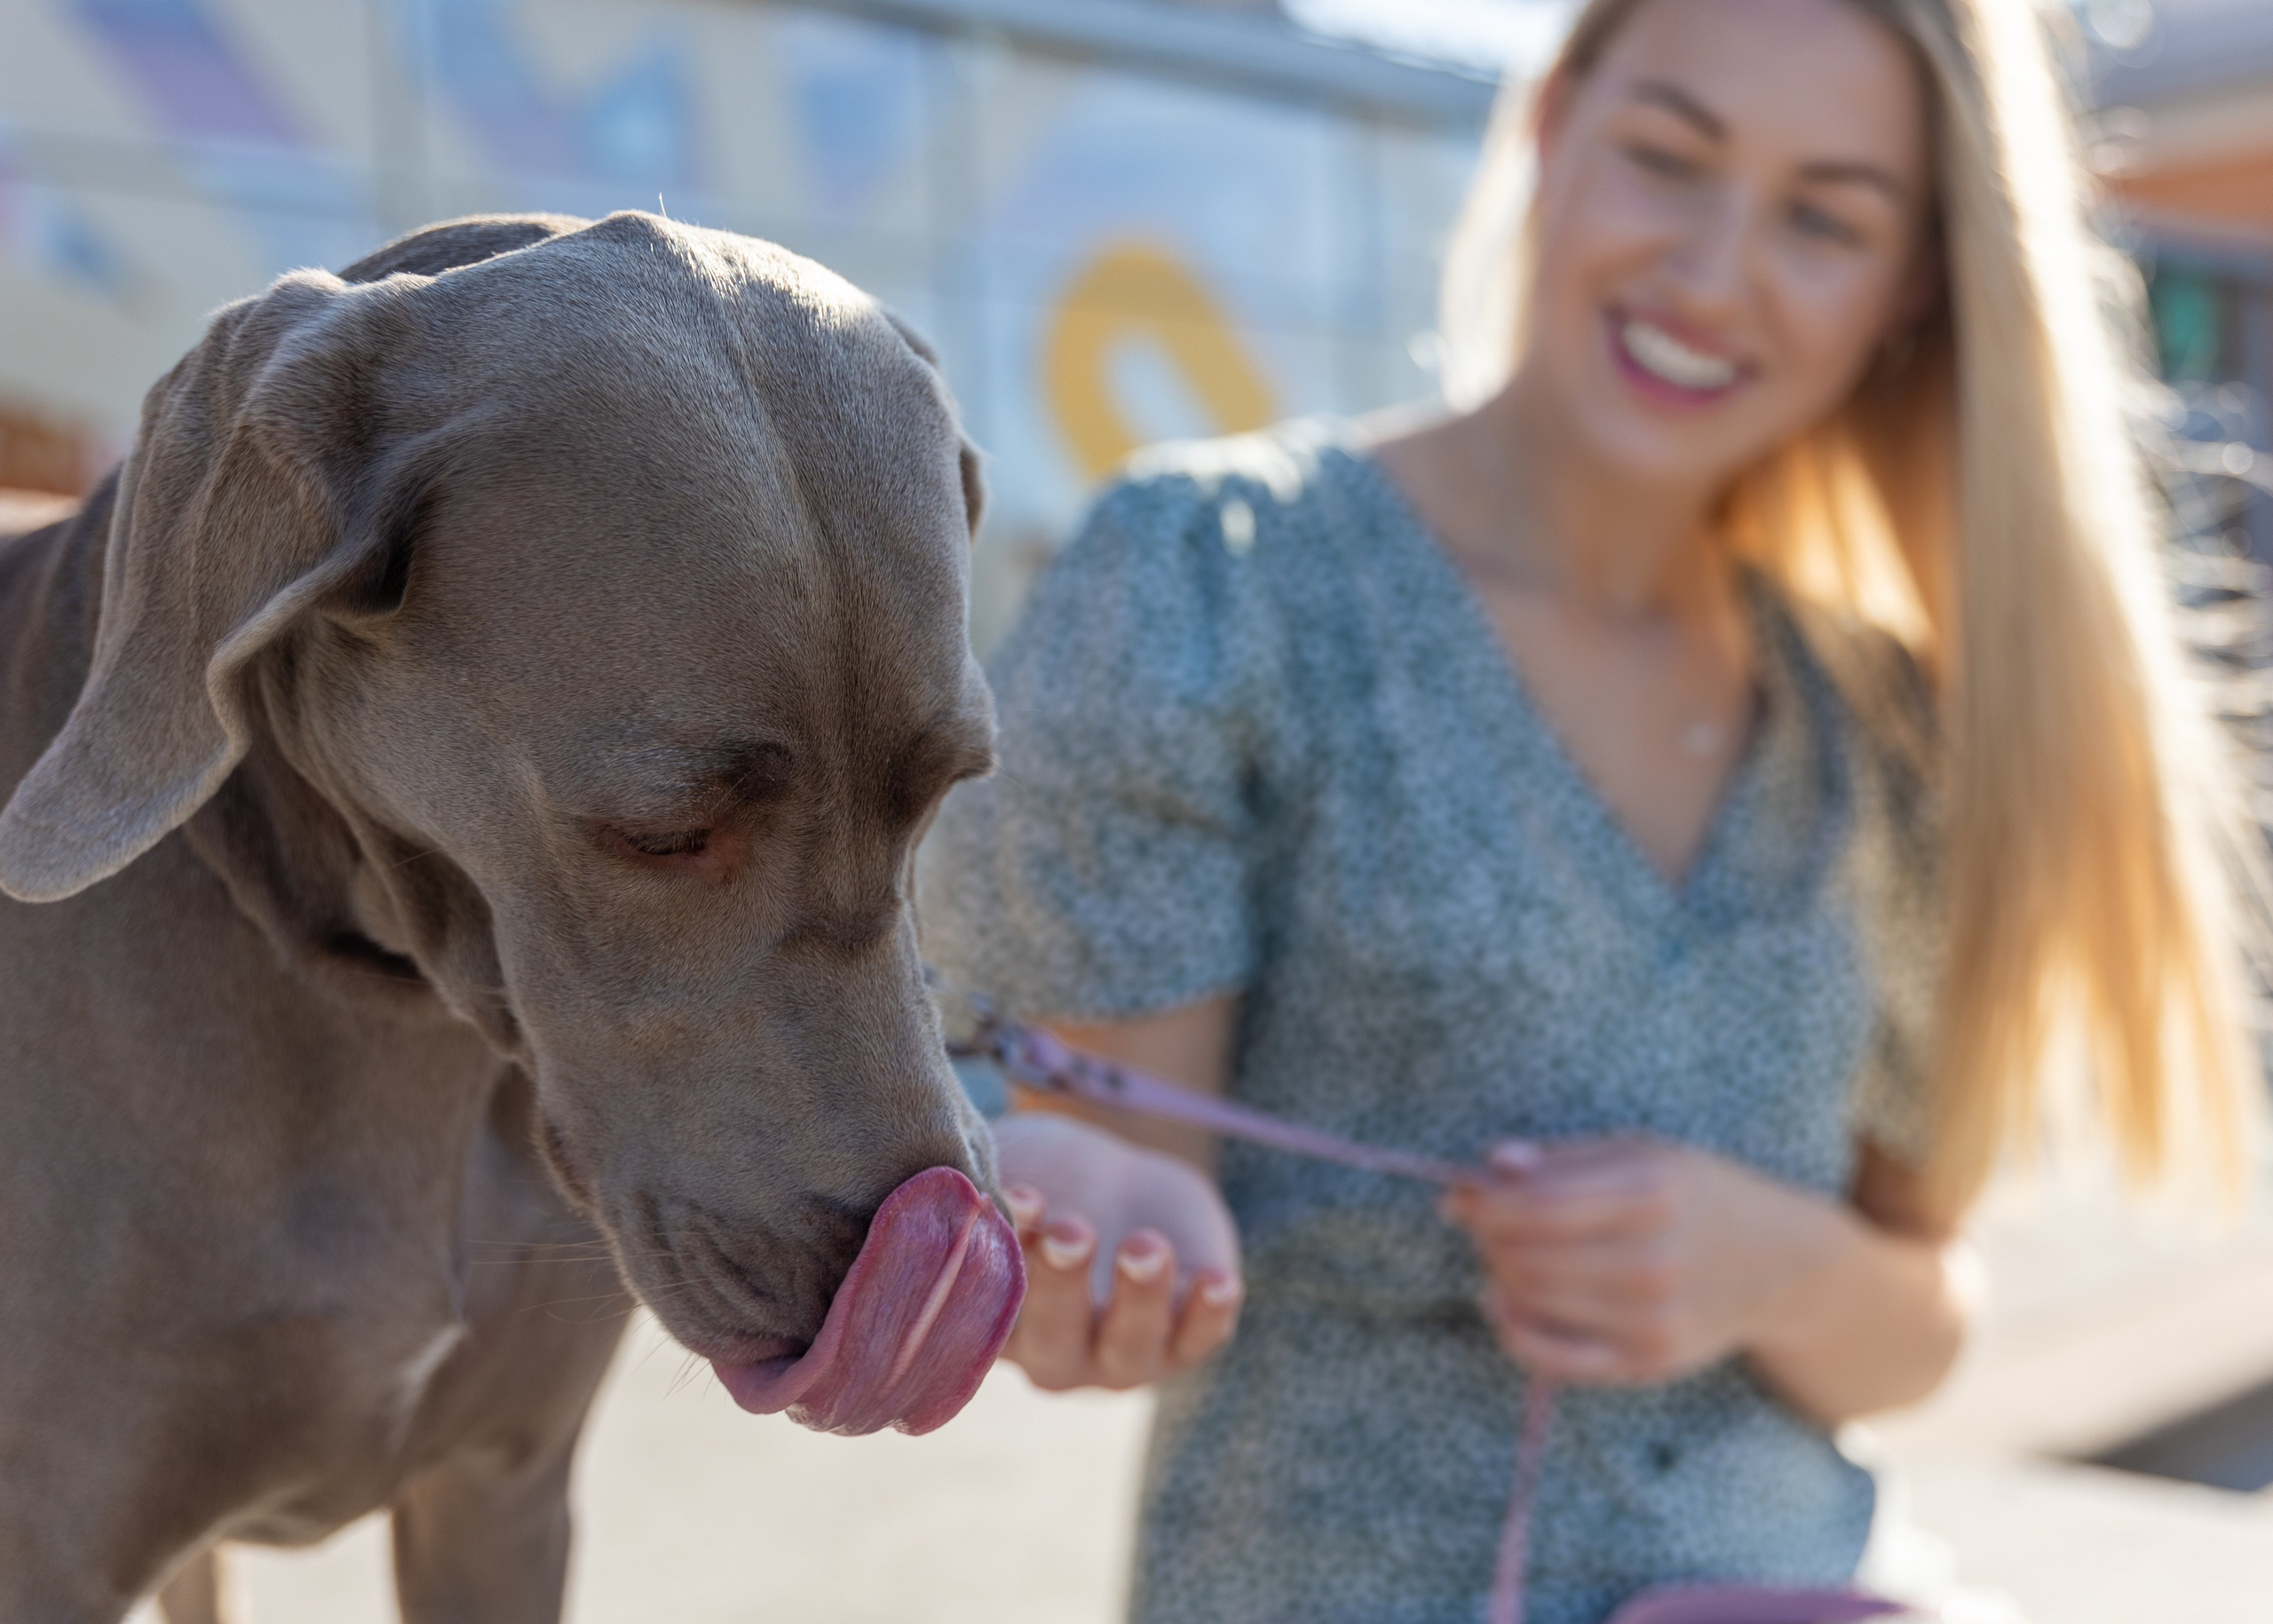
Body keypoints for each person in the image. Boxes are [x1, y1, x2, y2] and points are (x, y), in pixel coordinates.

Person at [919, 1, 2262, 1620]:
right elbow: (1105, 1172)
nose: (1711, 269)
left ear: (1911, 288)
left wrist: (1777, 1264)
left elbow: (1922, 1315)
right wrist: (1075, 1241)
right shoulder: (1215, 586)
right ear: (1552, 129)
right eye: (1667, 158)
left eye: (1824, 217)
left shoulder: (1899, 733)